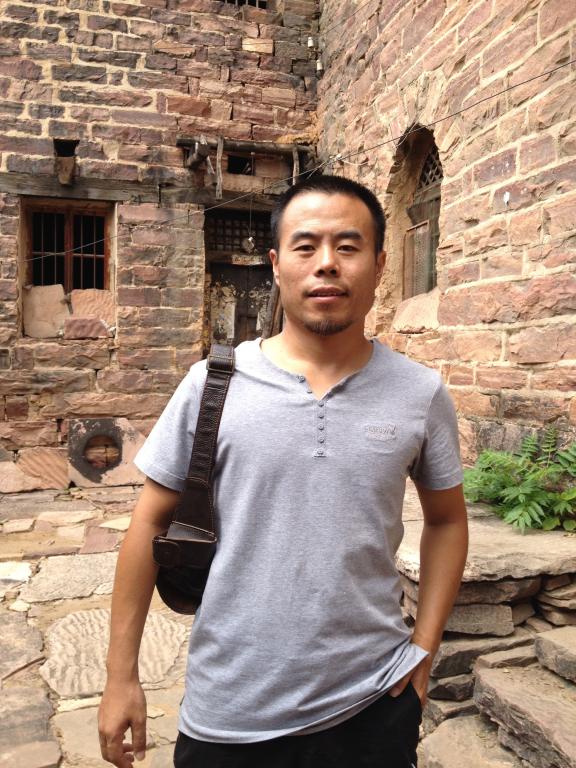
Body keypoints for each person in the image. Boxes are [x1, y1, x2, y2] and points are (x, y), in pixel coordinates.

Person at [98, 175, 468, 768]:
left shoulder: (419, 393)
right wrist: (121, 677)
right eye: (306, 245)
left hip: (372, 702)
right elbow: (148, 524)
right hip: (229, 709)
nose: (327, 264)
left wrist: (423, 650)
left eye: (348, 246)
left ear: (379, 265)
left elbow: (447, 521)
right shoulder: (212, 385)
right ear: (276, 265)